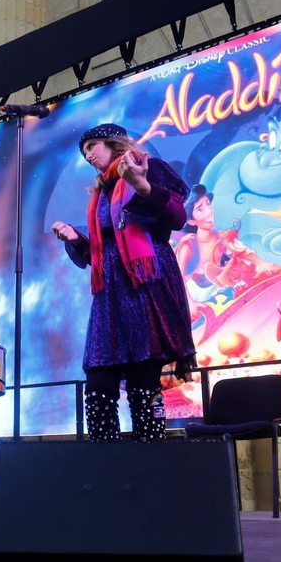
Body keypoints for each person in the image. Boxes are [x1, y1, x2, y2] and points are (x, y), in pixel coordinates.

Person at [51, 123, 193, 442]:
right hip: (110, 295)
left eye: (91, 146)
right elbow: (104, 253)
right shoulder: (101, 193)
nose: (88, 155)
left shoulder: (149, 167)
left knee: (144, 378)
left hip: (145, 286)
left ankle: (151, 455)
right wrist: (76, 239)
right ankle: (105, 460)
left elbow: (177, 217)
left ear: (112, 142)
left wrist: (142, 185)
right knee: (98, 381)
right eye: (84, 152)